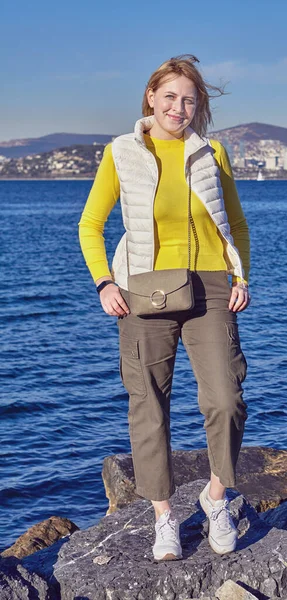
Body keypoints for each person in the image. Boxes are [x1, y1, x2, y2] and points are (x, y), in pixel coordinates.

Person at [78, 54, 251, 561]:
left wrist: (241, 275)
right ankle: (164, 517)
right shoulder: (121, 152)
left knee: (226, 399)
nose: (180, 107)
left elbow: (235, 225)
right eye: (171, 96)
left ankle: (215, 498)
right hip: (142, 290)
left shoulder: (212, 152)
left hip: (212, 288)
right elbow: (90, 225)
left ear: (198, 108)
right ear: (151, 98)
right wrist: (104, 283)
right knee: (148, 405)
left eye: (190, 100)